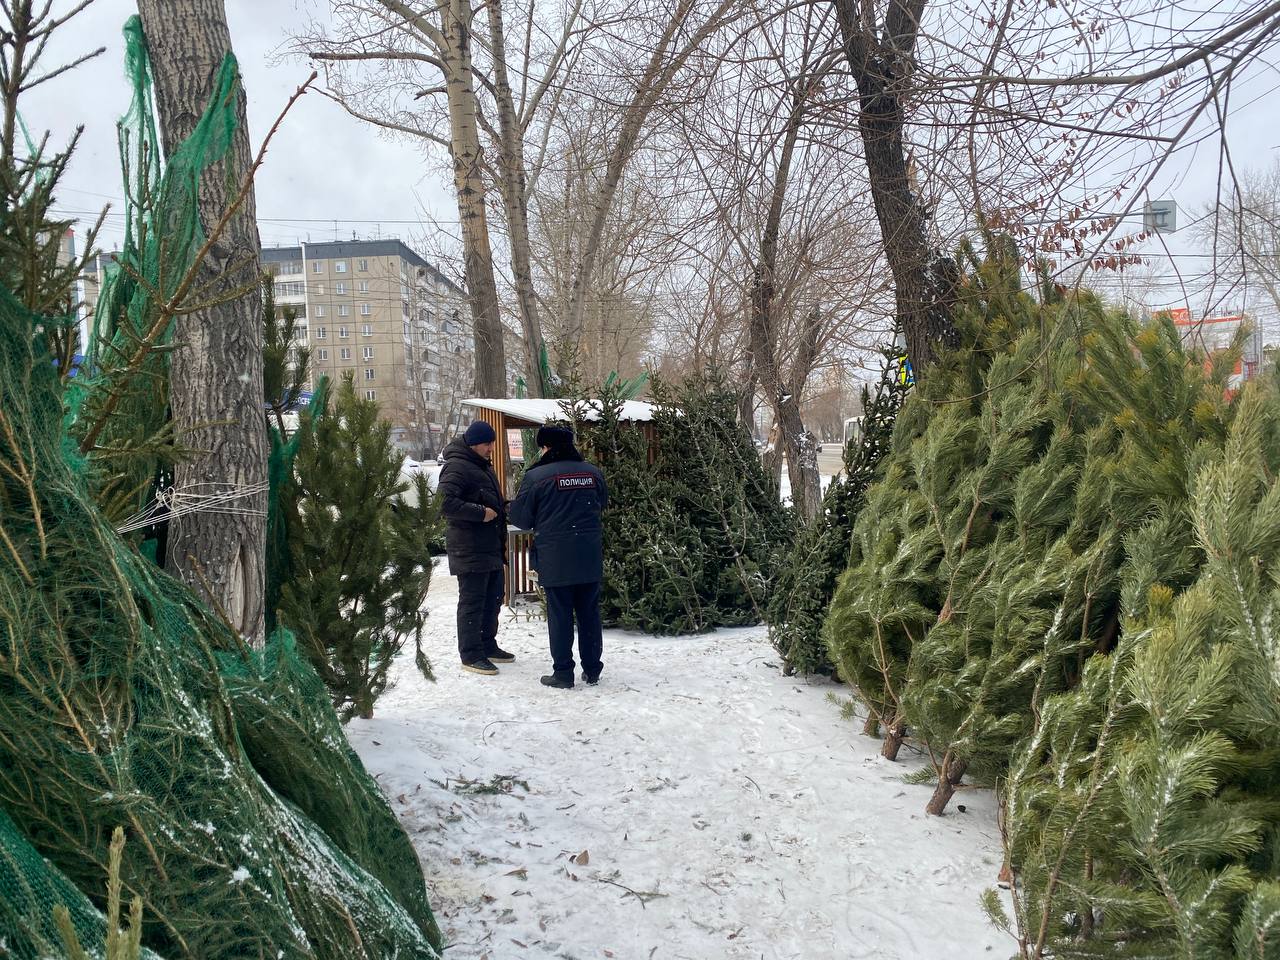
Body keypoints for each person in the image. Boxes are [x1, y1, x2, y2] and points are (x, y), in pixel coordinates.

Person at [509, 425, 608, 689]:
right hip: (588, 555)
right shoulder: (592, 473)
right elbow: (602, 503)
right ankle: (593, 670)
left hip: (555, 558)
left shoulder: (536, 477)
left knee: (560, 615)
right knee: (589, 614)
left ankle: (563, 673)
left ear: (546, 447)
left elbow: (520, 519)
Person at [439, 420, 515, 675]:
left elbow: (490, 499)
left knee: (493, 598)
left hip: (490, 546)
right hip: (469, 547)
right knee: (473, 602)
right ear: (473, 444)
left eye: (492, 443)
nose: (491, 448)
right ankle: (471, 654)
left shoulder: (482, 465)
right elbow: (445, 503)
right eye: (487, 444)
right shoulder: (457, 467)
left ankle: (487, 645)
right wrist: (481, 513)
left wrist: (506, 508)